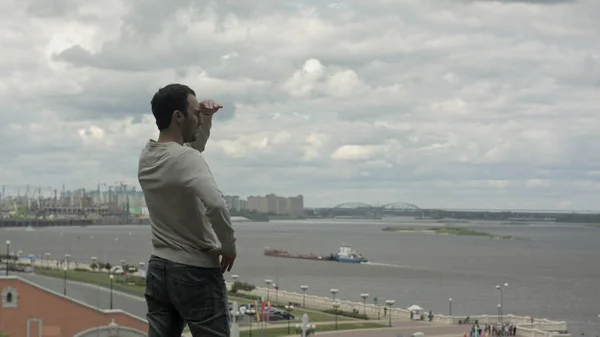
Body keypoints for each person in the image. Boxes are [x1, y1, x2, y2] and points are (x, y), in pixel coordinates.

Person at [138, 83, 236, 337]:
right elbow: (215, 204)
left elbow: (189, 150)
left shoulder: (148, 155)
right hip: (195, 272)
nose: (198, 119)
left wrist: (206, 118)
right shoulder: (185, 159)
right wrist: (228, 245)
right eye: (194, 113)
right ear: (178, 116)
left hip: (159, 269)